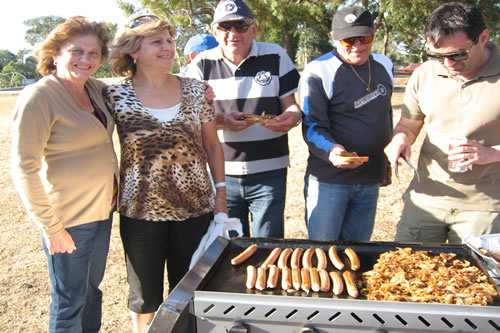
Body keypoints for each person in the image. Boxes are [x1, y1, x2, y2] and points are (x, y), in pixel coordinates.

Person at [106, 14, 227, 333]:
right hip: (140, 212)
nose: (168, 47)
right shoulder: (113, 95)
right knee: (144, 296)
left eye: (170, 41)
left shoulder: (197, 90)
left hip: (195, 209)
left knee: (188, 290)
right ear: (133, 50)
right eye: (157, 41)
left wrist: (222, 196)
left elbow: (213, 146)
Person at [10, 17, 118, 332]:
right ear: (55, 53)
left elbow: (136, 89)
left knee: (90, 292)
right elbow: (23, 166)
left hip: (101, 213)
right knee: (70, 301)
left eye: (94, 53)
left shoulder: (95, 89)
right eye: (77, 51)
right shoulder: (40, 97)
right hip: (68, 221)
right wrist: (52, 227)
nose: (86, 59)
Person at [384, 2, 500, 244]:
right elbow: (408, 125)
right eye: (438, 56)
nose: (448, 64)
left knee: (476, 280)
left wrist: (492, 153)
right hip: (426, 198)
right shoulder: (424, 74)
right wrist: (400, 140)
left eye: (457, 54)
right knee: (405, 272)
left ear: (483, 37)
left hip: (486, 205)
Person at [186, 0, 302, 238]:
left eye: (240, 25)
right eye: (225, 27)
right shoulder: (200, 64)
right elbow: (192, 118)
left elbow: (291, 106)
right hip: (221, 173)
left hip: (270, 170)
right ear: (214, 31)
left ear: (254, 28)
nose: (233, 33)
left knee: (269, 244)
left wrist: (293, 117)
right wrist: (222, 120)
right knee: (230, 246)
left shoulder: (276, 55)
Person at [298, 6, 394, 241]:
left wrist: (386, 159)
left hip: (371, 177)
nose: (358, 46)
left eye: (365, 38)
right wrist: (333, 150)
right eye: (348, 40)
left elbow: (385, 116)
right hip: (331, 180)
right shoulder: (319, 70)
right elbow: (312, 125)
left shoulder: (385, 64)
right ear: (334, 38)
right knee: (323, 252)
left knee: (358, 252)